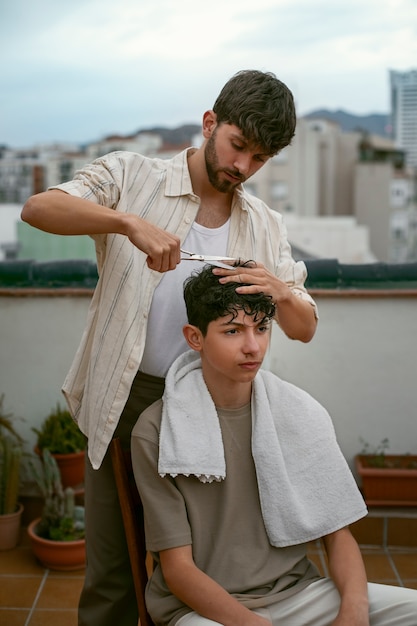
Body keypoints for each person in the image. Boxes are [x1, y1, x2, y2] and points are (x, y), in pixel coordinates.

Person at [21, 70, 318, 626]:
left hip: (218, 412)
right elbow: (38, 209)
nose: (244, 168)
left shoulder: (264, 226)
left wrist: (281, 290)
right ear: (209, 123)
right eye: (238, 147)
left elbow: (303, 327)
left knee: (204, 570)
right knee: (114, 573)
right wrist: (127, 223)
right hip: (125, 401)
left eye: (260, 159)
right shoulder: (132, 176)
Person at [131, 263, 417, 626]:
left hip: (298, 594)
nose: (253, 347)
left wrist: (354, 612)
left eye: (262, 329)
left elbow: (338, 535)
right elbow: (178, 571)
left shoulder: (298, 414)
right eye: (232, 331)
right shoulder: (157, 430)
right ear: (195, 337)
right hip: (205, 611)